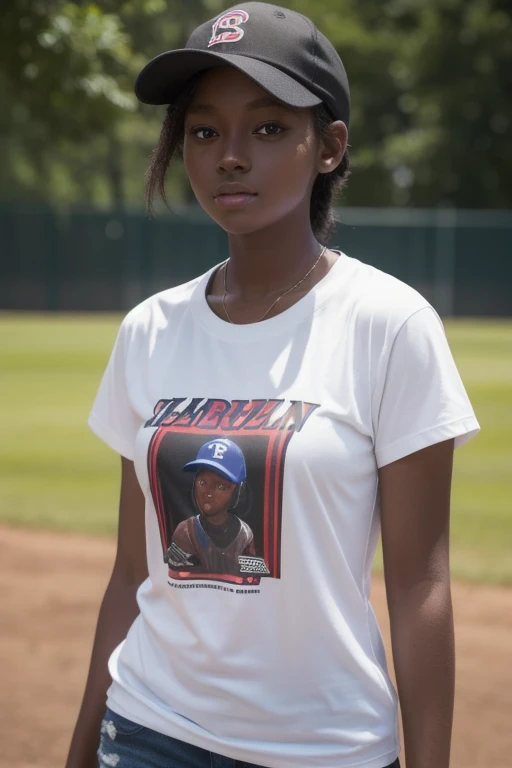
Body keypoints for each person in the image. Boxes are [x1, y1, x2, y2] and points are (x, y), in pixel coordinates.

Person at [66, 4, 480, 768]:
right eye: (203, 130)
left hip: (327, 747)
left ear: (328, 147)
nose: (229, 156)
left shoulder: (387, 324)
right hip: (150, 730)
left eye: (267, 128)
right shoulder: (149, 330)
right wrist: (81, 747)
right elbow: (133, 572)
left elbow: (421, 582)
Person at [167, 438, 256, 575]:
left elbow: (253, 578)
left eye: (221, 486)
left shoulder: (244, 533)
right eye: (203, 482)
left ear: (237, 492)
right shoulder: (185, 531)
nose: (208, 492)